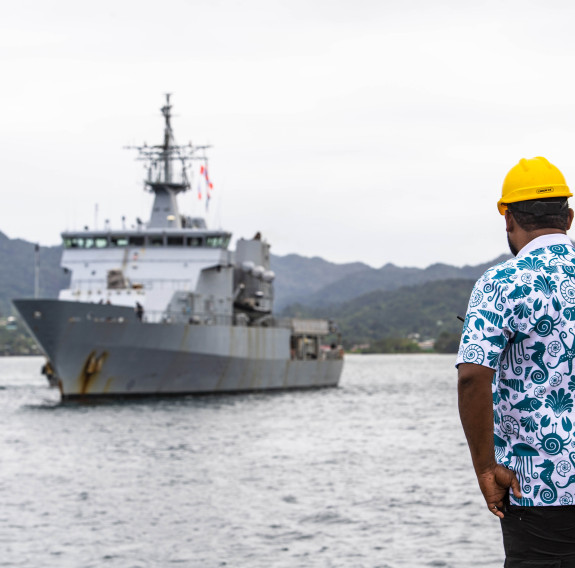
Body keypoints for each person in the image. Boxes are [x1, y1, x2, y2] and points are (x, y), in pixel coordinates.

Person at [457, 157, 575, 566]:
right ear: (569, 217)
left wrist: (486, 468)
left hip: (538, 489)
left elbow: (472, 376)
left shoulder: (500, 284)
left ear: (508, 219)